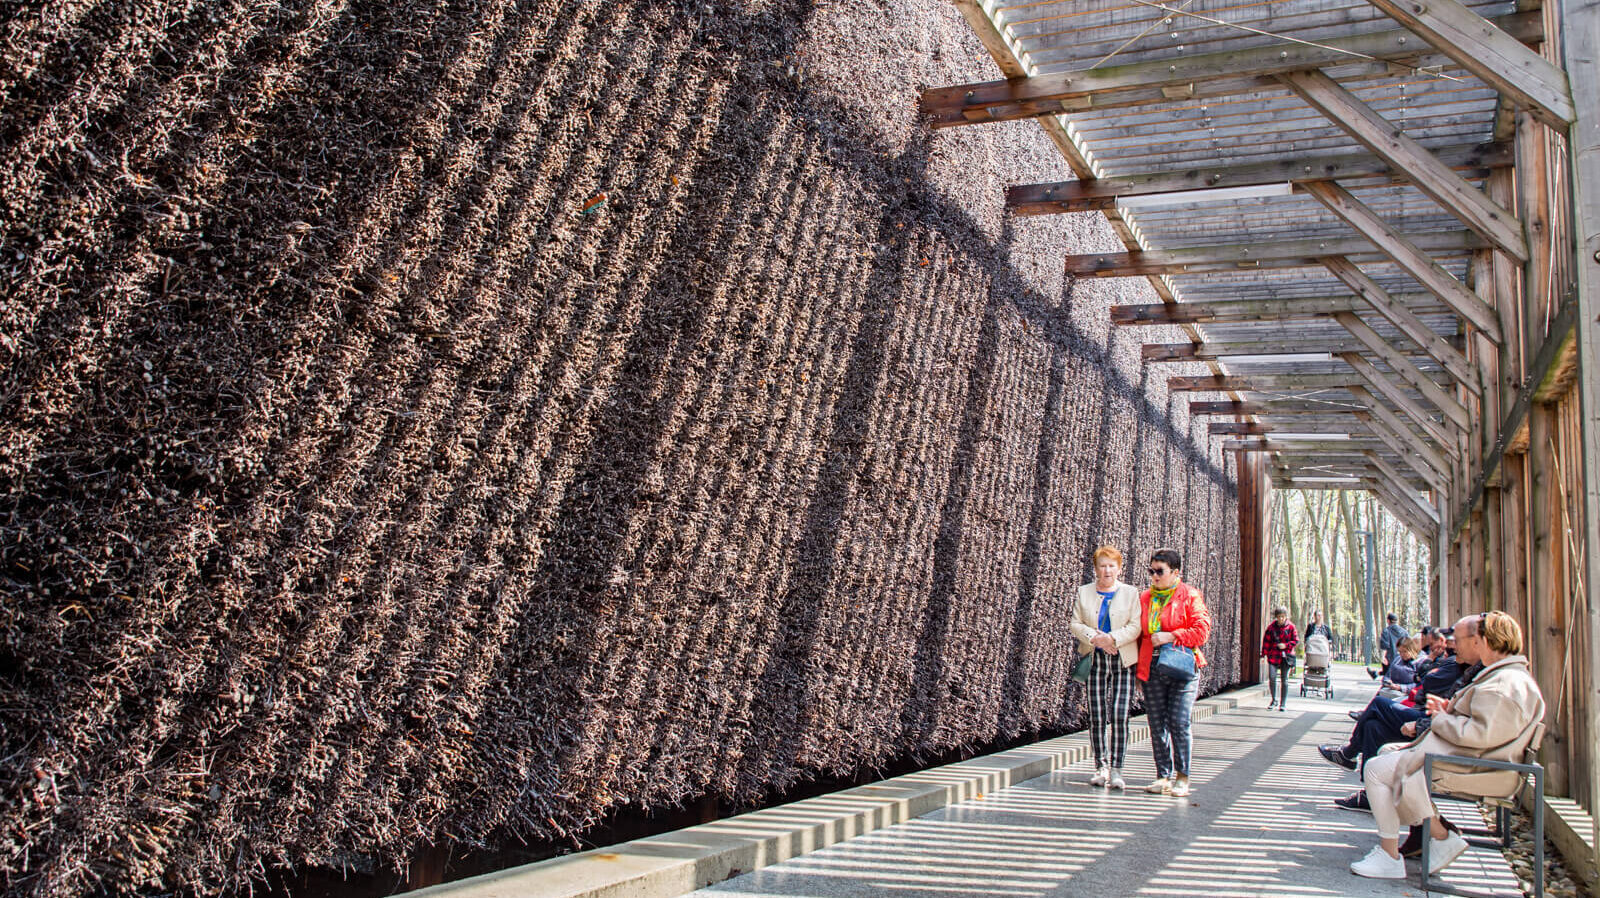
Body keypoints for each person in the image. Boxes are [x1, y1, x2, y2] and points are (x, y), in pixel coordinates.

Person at [1350, 611, 1545, 879]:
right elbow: (1484, 728)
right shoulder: (1504, 678)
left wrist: (1441, 718)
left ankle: (1398, 852)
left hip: (1474, 767)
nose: (1455, 644)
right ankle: (1433, 837)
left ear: (1481, 641)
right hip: (1472, 760)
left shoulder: (1503, 685)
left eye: (1460, 638)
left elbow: (1477, 735)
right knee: (1385, 754)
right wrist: (1448, 711)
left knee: (1375, 769)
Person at [1137, 548, 1212, 797]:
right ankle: (1163, 775)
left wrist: (1172, 635)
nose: (1155, 576)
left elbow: (1202, 630)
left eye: (1160, 571)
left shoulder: (1189, 596)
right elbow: (1138, 635)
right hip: (1153, 668)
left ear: (1175, 572)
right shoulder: (1145, 598)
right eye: (1152, 571)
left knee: (1179, 722)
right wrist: (1138, 671)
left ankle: (1183, 776)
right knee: (1157, 723)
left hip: (1182, 669)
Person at [1069, 546, 1142, 790]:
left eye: (1111, 565)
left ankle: (1118, 768)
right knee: (1098, 714)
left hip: (1122, 660)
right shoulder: (1084, 592)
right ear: (1095, 568)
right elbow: (1076, 623)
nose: (1107, 570)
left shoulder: (1131, 593)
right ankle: (1100, 767)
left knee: (1120, 714)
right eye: (1102, 565)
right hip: (1095, 659)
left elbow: (1136, 626)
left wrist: (1113, 639)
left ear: (1119, 568)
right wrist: (1095, 638)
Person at [1260, 605, 1298, 711]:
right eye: (1279, 616)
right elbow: (1266, 641)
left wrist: (1286, 645)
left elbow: (1296, 640)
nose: (1281, 619)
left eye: (1283, 616)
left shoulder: (1291, 627)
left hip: (1285, 656)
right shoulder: (1271, 628)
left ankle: (1283, 703)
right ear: (1276, 617)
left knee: (1284, 680)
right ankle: (1274, 699)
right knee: (1272, 677)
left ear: (1286, 617)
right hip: (1273, 655)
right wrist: (1264, 654)